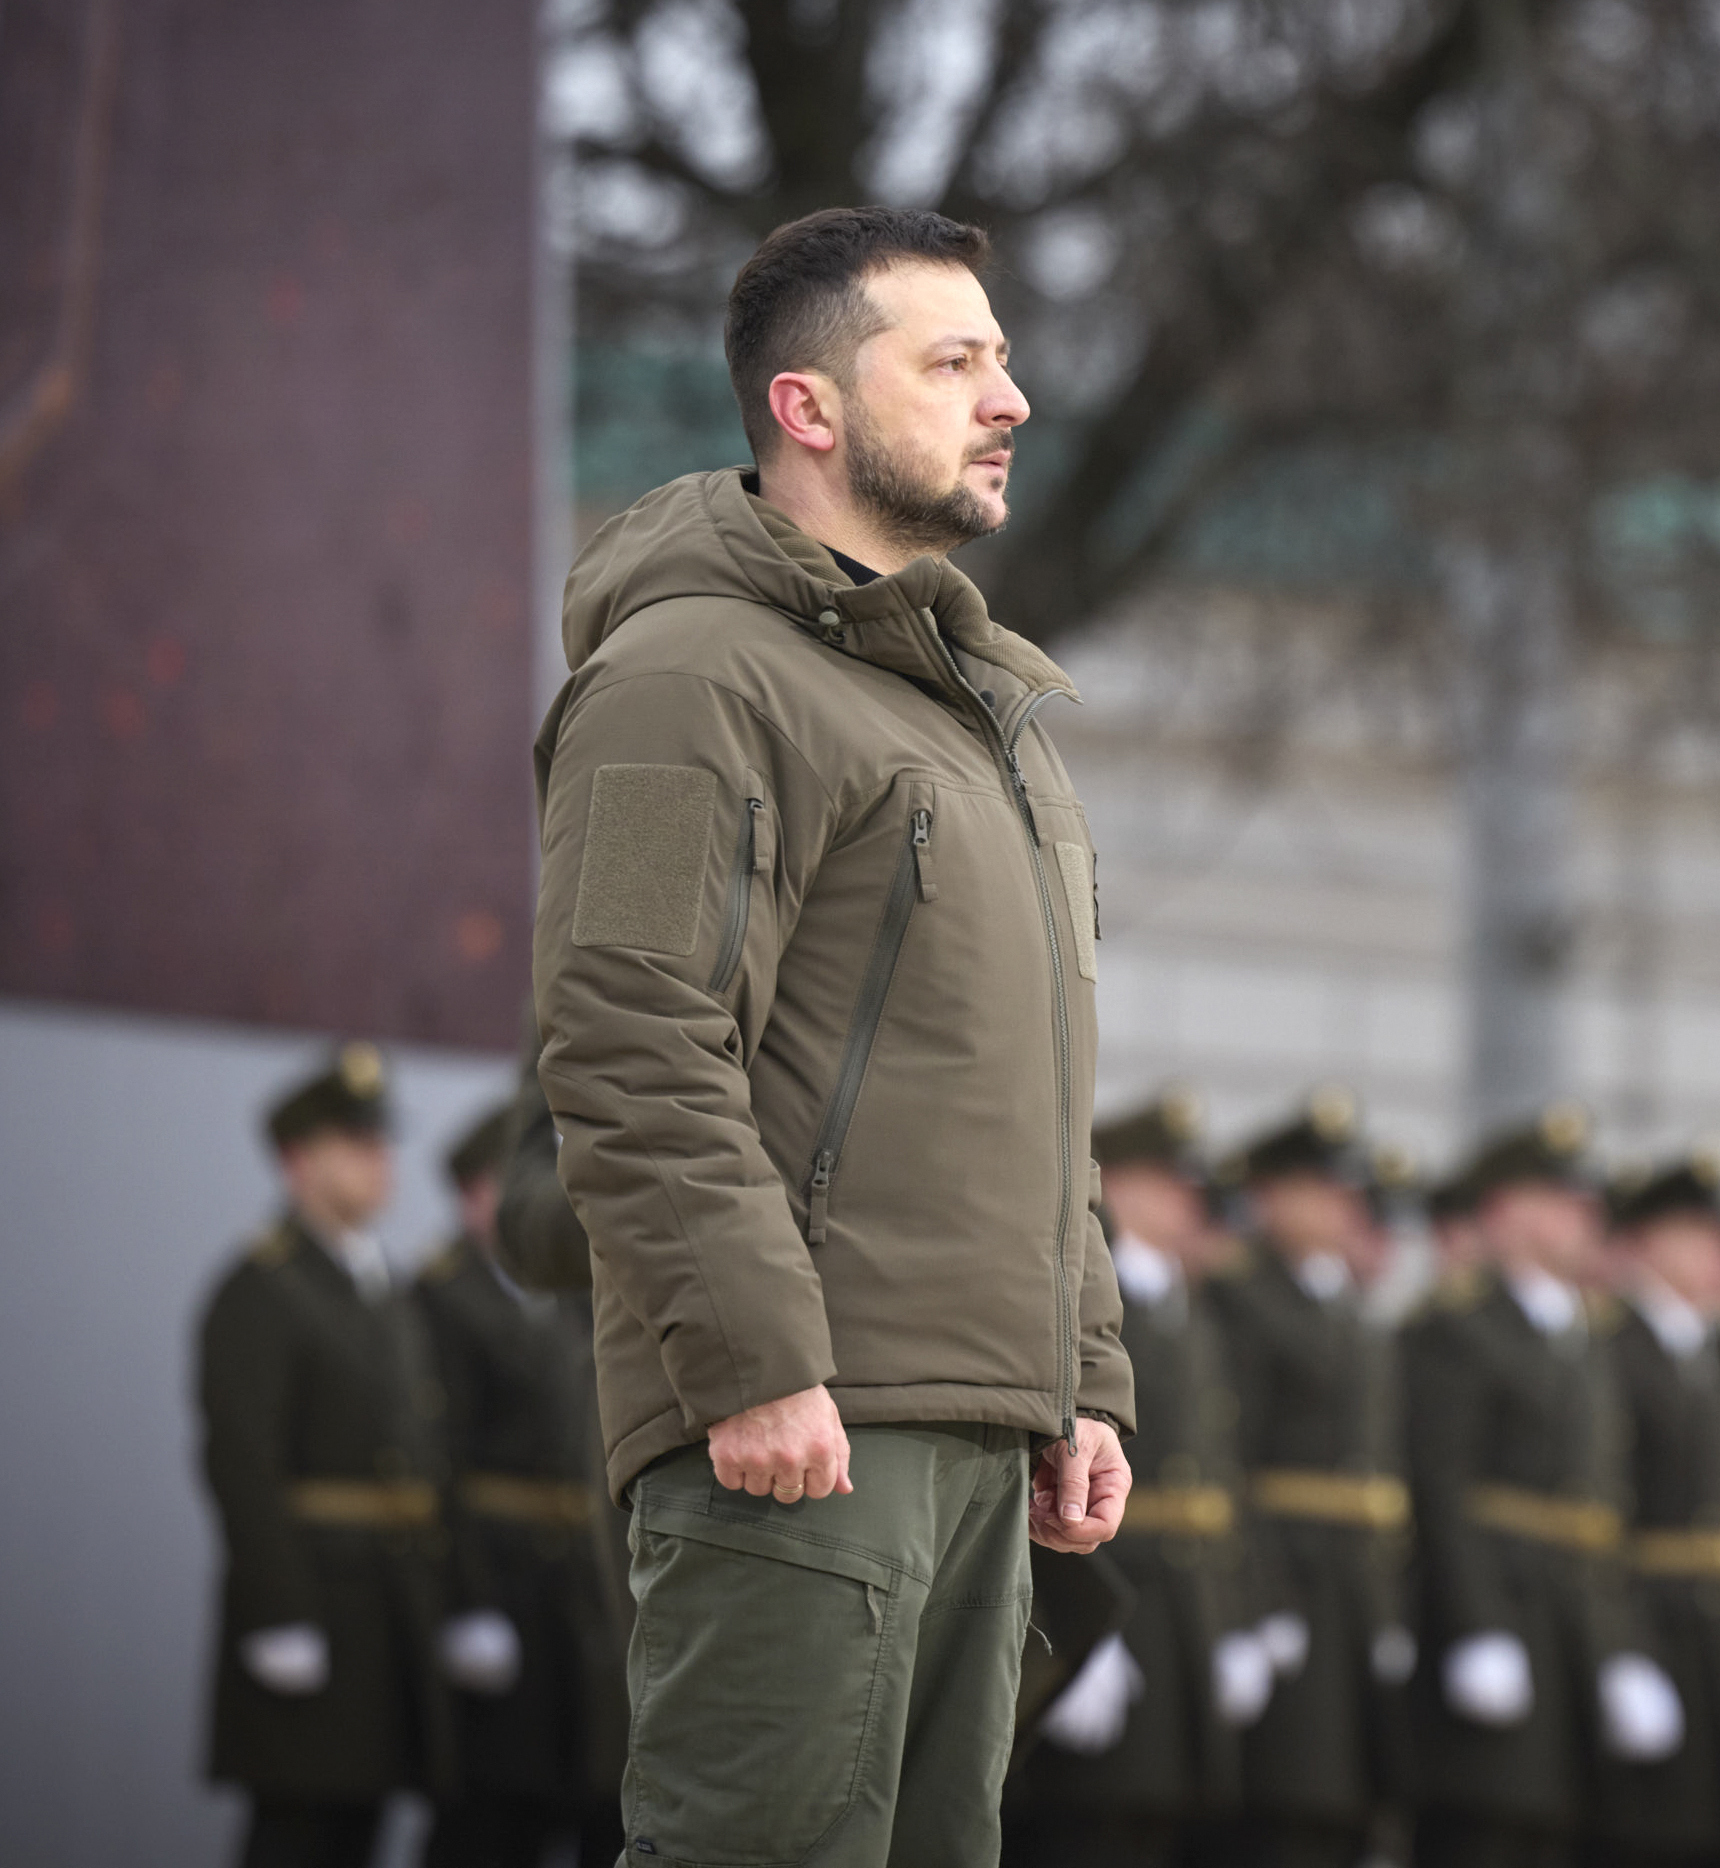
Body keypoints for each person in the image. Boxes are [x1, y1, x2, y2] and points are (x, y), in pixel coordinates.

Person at [530, 204, 1134, 1868]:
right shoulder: (689, 678)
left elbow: (1037, 1092)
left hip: (970, 1426)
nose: (1006, 398)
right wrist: (748, 1354)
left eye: (1003, 360)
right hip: (799, 1425)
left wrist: (1079, 1373)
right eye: (953, 363)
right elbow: (629, 1034)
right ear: (808, 408)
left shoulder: (977, 720)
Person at [1402, 1106, 1679, 1868]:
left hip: (1575, 1628)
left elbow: (1604, 1508)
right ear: (1503, 1212)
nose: (1584, 1218)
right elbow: (1442, 1489)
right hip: (1505, 1619)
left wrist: (1624, 1648)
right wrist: (1476, 1626)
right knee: (1487, 1832)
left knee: (1558, 1833)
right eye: (1560, 1200)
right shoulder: (1460, 1326)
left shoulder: (1582, 1333)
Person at [196, 1046, 449, 1868]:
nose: (381, 1163)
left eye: (382, 1143)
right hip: (313, 1606)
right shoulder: (261, 1289)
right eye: (357, 1144)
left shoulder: (384, 1290)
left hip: (383, 1615)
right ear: (297, 1159)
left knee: (358, 1834)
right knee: (297, 1839)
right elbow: (242, 1464)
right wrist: (280, 1614)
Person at [1008, 1092, 1270, 1867]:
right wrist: (1059, 1627)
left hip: (1181, 1608)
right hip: (1106, 1592)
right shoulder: (1084, 1290)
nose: (1194, 1208)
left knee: (1159, 1829)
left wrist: (1238, 1614)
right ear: (1117, 1184)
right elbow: (1041, 1463)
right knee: (1082, 1830)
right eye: (1175, 1185)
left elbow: (1222, 1470)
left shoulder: (1185, 1302)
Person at [409, 1104, 627, 1868]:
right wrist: (465, 1602)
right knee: (495, 1818)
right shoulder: (439, 1298)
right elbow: (434, 1463)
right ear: (475, 1195)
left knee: (599, 1802)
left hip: (576, 1595)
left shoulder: (574, 1296)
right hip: (501, 1585)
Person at [1204, 1089, 1417, 1868]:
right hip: (1286, 1581)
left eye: (1344, 1192)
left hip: (1351, 1591)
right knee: (1283, 1806)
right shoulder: (1237, 1299)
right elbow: (1231, 1461)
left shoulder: (1348, 1307)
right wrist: (1256, 1601)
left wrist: (1389, 1606)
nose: (1340, 1208)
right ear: (1266, 1197)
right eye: (1319, 1190)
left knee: (1351, 1812)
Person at [1592, 1152, 1720, 1868]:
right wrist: (1620, 1652)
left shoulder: (1716, 1357)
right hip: (1653, 1627)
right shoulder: (1611, 1348)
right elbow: (1602, 1515)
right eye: (1698, 1234)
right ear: (1644, 1244)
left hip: (1717, 1638)